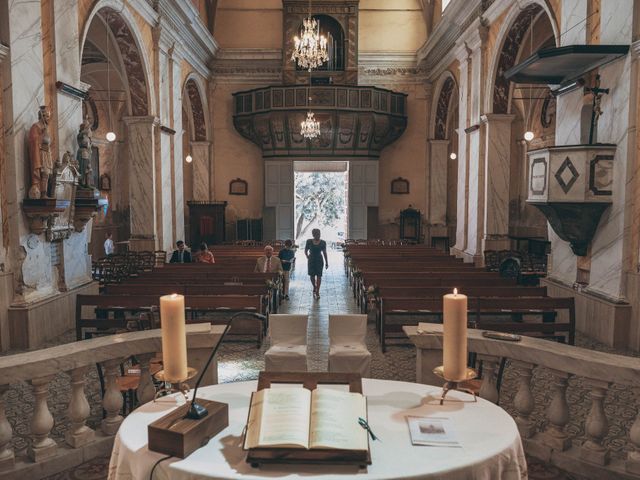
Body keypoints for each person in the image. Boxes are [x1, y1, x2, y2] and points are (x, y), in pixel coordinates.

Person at [305, 229, 328, 299]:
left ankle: (317, 290)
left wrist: (327, 262)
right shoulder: (309, 241)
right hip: (311, 259)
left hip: (319, 260)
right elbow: (305, 250)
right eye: (317, 234)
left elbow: (324, 252)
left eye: (319, 233)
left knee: (319, 275)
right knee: (312, 275)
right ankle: (314, 286)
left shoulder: (323, 242)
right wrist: (307, 256)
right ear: (313, 235)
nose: (318, 235)